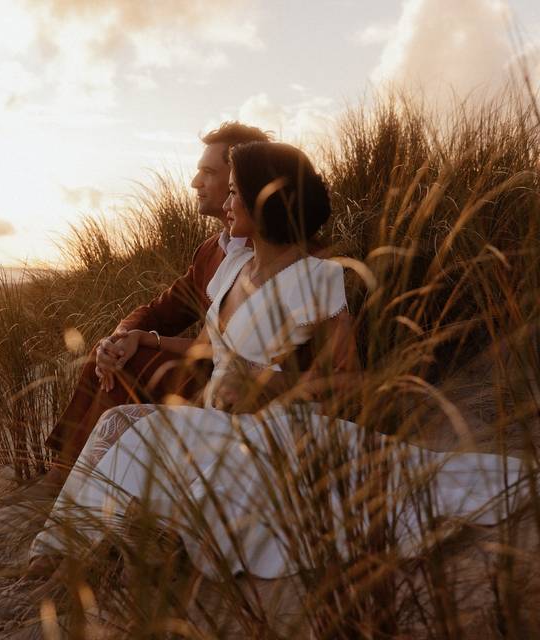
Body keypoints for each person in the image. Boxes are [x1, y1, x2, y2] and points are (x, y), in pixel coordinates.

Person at [29, 141, 522, 579]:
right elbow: (205, 346)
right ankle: (70, 549)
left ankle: (68, 552)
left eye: (234, 192)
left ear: (267, 198)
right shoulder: (234, 267)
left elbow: (349, 378)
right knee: (121, 425)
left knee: (129, 425)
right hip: (214, 421)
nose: (225, 203)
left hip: (273, 428)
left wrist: (270, 387)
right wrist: (147, 339)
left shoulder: (317, 277)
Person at [45, 122, 271, 473]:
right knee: (109, 353)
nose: (196, 182)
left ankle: (86, 482)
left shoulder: (284, 255)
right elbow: (161, 309)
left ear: (242, 176)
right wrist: (120, 338)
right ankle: (66, 470)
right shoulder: (212, 250)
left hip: (227, 383)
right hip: (199, 366)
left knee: (126, 365)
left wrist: (143, 342)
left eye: (208, 172)